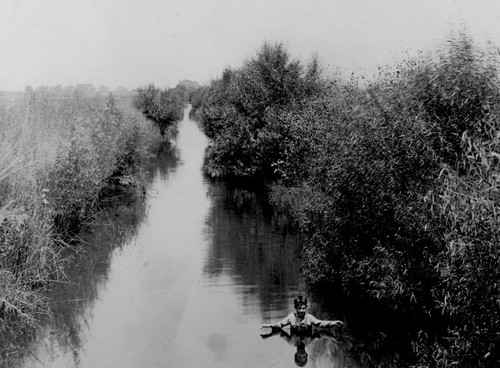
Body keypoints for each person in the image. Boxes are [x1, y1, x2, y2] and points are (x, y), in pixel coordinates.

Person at [260, 295, 343, 334]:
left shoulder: (309, 317)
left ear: (306, 307)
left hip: (307, 336)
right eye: (299, 308)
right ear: (295, 308)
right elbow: (280, 324)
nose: (301, 310)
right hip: (294, 337)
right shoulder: (291, 317)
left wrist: (334, 323)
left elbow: (321, 323)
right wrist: (268, 325)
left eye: (303, 308)